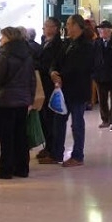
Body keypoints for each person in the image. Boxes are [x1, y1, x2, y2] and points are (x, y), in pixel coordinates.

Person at [43, 14, 95, 167]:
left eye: (69, 24)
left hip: (77, 91)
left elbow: (80, 68)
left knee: (77, 124)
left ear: (77, 26)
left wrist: (61, 77)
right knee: (58, 123)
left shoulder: (87, 46)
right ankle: (56, 154)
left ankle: (77, 156)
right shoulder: (66, 43)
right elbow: (56, 61)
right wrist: (53, 72)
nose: (66, 27)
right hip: (63, 90)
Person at [0, 27, 36, 179]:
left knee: (6, 136)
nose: (0, 40)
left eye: (2, 37)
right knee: (20, 135)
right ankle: (22, 168)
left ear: (8, 38)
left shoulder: (4, 56)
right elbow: (32, 79)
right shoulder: (27, 55)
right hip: (22, 101)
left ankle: (6, 169)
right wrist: (30, 98)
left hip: (6, 100)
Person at [36, 17, 63, 163]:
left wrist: (38, 65)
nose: (44, 28)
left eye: (47, 26)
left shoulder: (57, 45)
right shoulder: (45, 42)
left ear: (55, 28)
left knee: (50, 118)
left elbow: (50, 64)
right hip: (42, 84)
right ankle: (48, 145)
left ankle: (52, 148)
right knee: (44, 117)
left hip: (49, 85)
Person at [93, 20, 112, 130]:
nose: (101, 32)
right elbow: (93, 58)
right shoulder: (97, 42)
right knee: (102, 99)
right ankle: (105, 119)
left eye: (103, 29)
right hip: (100, 76)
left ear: (109, 30)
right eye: (100, 30)